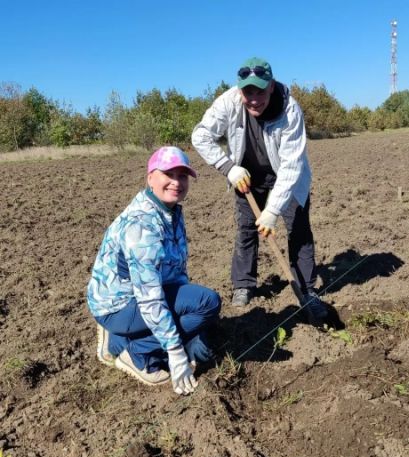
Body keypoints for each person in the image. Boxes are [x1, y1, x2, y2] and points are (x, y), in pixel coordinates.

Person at [191, 57, 327, 319]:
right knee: (245, 229)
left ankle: (307, 290)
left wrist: (272, 211)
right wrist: (227, 166)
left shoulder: (289, 110)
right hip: (246, 176)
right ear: (239, 89)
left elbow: (290, 165)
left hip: (287, 178)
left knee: (298, 230)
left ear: (271, 87)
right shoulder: (228, 102)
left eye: (260, 91)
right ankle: (243, 285)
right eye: (247, 92)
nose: (253, 99)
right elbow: (200, 135)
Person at [87, 146, 221, 394]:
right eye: (168, 174)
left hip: (134, 299)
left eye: (182, 175)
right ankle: (136, 352)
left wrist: (191, 335)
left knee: (198, 313)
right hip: (119, 304)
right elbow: (149, 297)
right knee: (207, 303)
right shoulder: (142, 225)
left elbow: (175, 270)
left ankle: (118, 337)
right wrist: (175, 348)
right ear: (150, 178)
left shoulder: (169, 211)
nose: (176, 182)